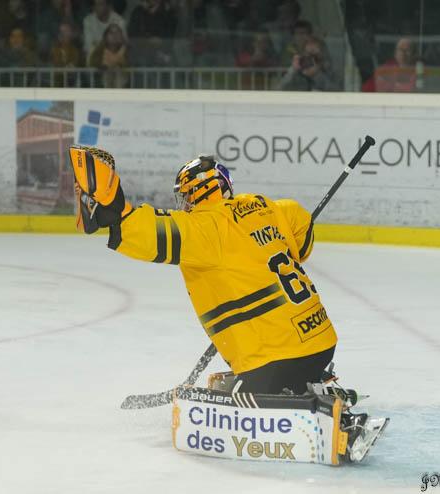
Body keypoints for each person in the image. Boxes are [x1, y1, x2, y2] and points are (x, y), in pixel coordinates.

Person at [68, 147, 387, 462]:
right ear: (224, 184)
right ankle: (316, 387)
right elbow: (301, 232)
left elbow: (139, 230)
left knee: (224, 412)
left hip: (275, 357)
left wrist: (110, 204)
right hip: (321, 343)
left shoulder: (205, 229)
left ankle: (336, 424)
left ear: (190, 196)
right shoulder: (269, 208)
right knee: (240, 382)